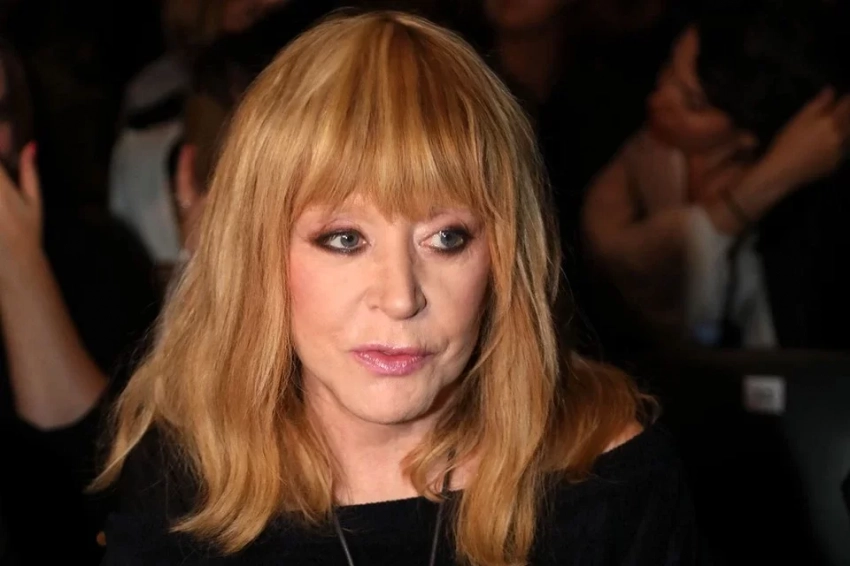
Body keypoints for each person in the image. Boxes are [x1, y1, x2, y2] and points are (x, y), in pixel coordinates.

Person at [94, 11, 702, 565]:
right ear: (258, 253)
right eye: (345, 239)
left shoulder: (607, 473)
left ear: (506, 257)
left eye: (446, 239)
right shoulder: (185, 475)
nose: (401, 296)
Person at [582, 0, 850, 351]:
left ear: (747, 134)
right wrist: (762, 186)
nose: (660, 97)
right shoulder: (639, 157)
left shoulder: (813, 210)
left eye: (692, 103)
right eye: (669, 68)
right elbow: (614, 257)